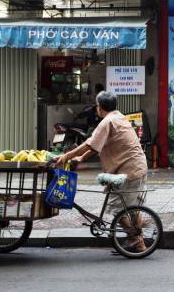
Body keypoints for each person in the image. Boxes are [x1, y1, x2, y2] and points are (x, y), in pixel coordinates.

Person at [52, 91, 148, 249]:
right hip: (136, 166)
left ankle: (135, 238)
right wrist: (81, 158)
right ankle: (139, 243)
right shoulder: (118, 117)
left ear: (99, 107)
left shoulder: (107, 121)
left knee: (116, 207)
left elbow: (90, 144)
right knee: (131, 207)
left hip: (128, 170)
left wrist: (67, 155)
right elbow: (97, 144)